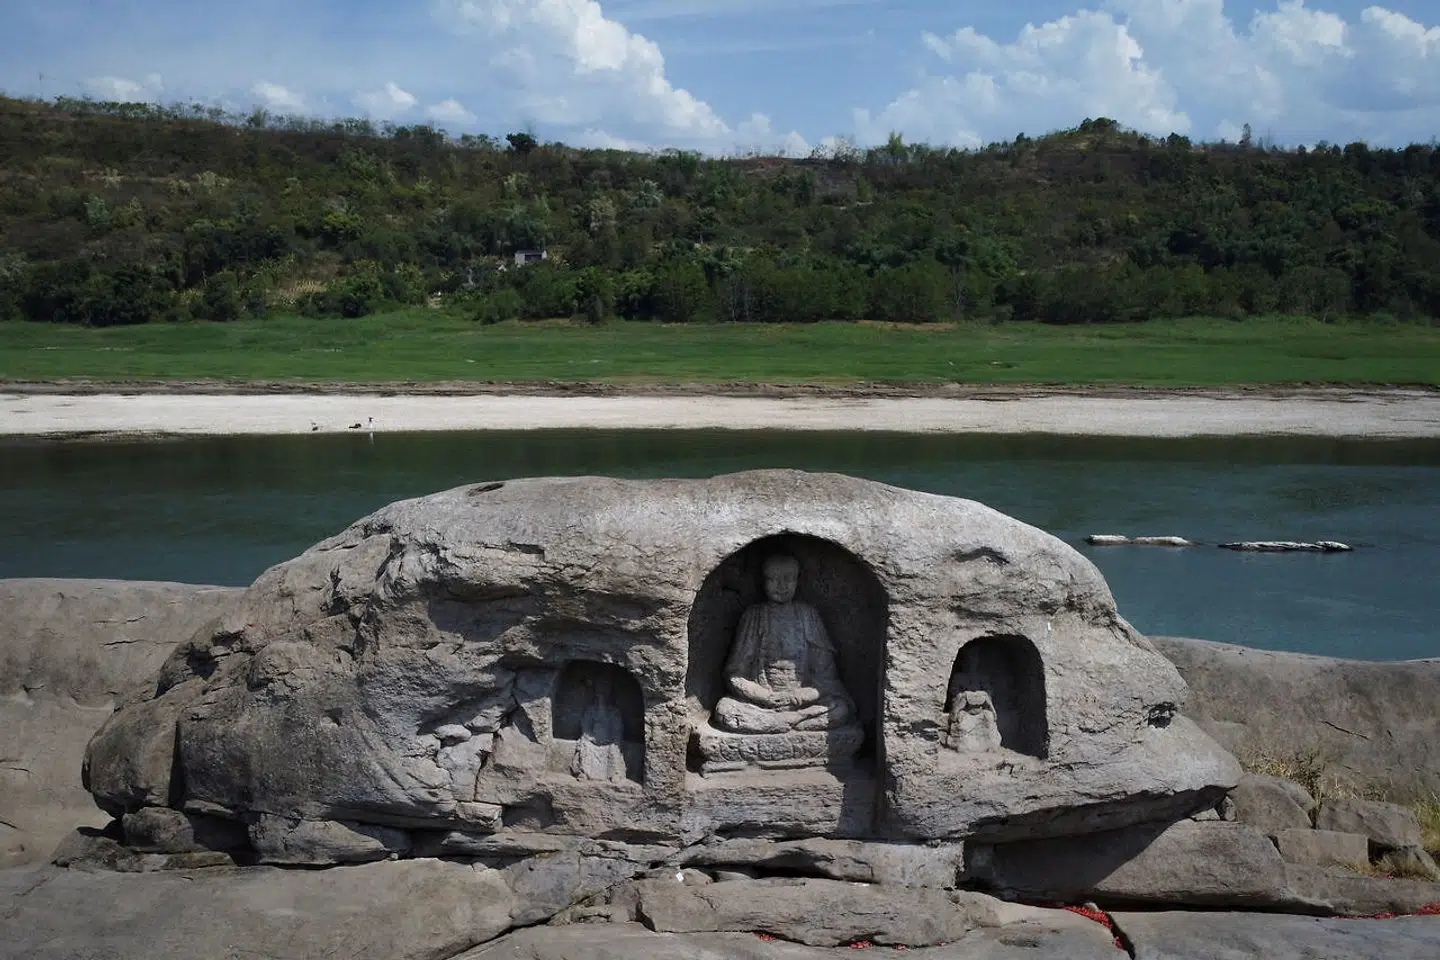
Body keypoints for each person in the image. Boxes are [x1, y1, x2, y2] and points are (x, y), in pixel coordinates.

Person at [712, 554, 856, 735]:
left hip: (803, 703)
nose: (782, 586)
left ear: (798, 580)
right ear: (763, 582)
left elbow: (827, 677)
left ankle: (783, 723)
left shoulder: (808, 616)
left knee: (840, 709)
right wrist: (766, 697)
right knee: (725, 709)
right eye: (773, 579)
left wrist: (802, 696)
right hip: (760, 704)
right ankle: (792, 724)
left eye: (788, 579)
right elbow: (735, 675)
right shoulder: (754, 616)